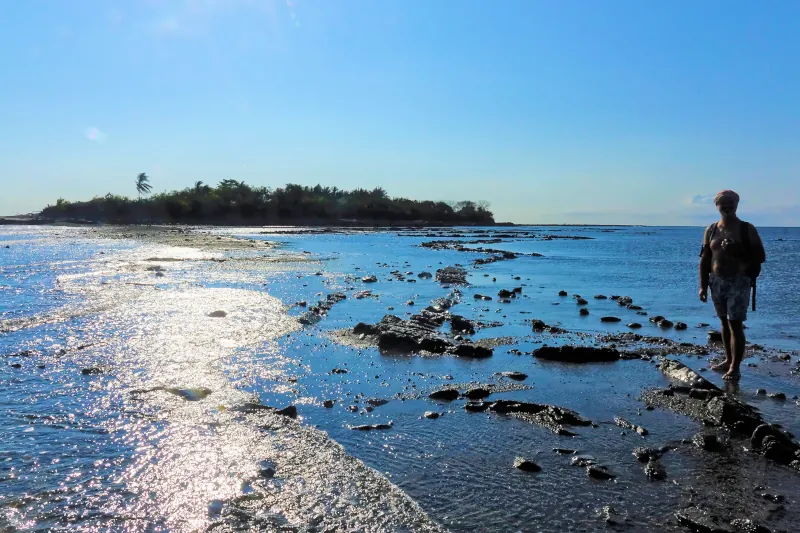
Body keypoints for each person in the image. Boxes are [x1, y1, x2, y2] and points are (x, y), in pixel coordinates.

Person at [698, 190, 766, 380]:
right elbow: (705, 259)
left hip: (739, 280)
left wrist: (737, 249)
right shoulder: (711, 230)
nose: (727, 206)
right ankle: (728, 360)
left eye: (731, 203)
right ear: (717, 206)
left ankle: (735, 368)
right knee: (723, 322)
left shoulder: (746, 228)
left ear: (736, 205)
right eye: (723, 203)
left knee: (735, 323)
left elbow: (761, 257)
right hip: (716, 282)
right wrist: (703, 285)